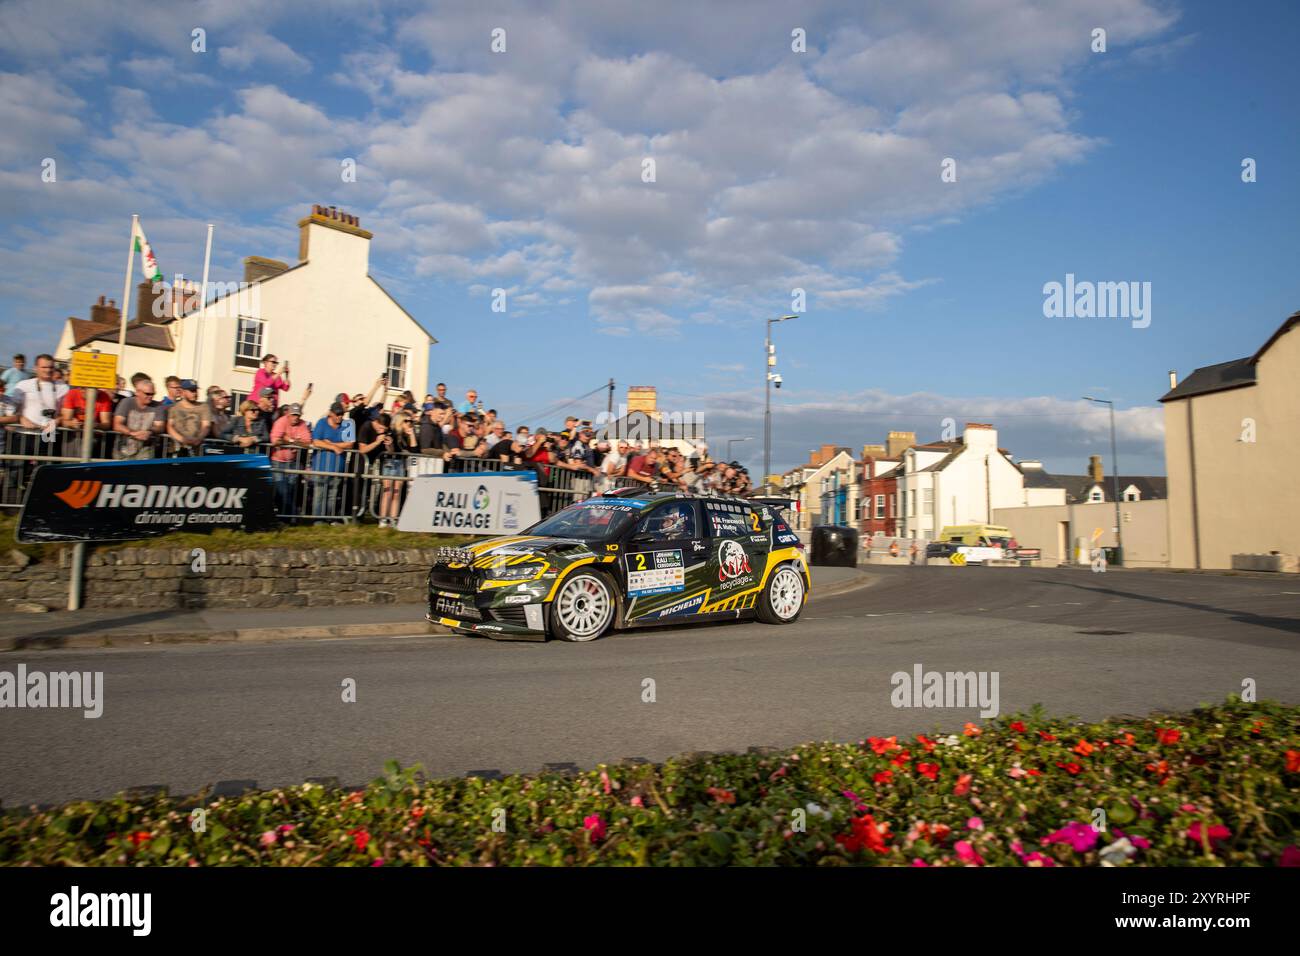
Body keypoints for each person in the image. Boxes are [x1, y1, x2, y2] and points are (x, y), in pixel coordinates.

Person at [310, 402, 355, 520]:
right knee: (319, 495)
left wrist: (330, 443)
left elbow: (350, 444)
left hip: (337, 467)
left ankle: (330, 519)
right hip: (321, 466)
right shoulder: (322, 423)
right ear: (331, 413)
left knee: (333, 496)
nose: (340, 416)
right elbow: (316, 441)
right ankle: (318, 520)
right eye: (337, 414)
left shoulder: (348, 424)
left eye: (342, 414)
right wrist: (334, 447)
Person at [269, 403, 312, 517]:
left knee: (290, 491)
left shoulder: (302, 424)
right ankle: (292, 514)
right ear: (288, 414)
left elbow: (307, 443)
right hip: (278, 462)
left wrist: (290, 440)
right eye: (293, 415)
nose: (295, 418)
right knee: (282, 491)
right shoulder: (281, 422)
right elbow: (275, 441)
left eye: (297, 415)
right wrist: (294, 442)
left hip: (293, 463)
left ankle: (284, 517)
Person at [13, 355, 68, 436]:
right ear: (36, 368)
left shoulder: (63, 387)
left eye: (51, 367)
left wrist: (57, 421)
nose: (48, 370)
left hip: (50, 435)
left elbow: (65, 414)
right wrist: (21, 418)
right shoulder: (23, 385)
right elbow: (12, 410)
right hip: (25, 433)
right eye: (44, 367)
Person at [111, 377, 165, 459]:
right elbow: (117, 425)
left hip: (145, 451)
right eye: (147, 394)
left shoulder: (158, 406)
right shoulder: (126, 402)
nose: (150, 397)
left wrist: (149, 432)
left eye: (153, 394)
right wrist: (133, 433)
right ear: (137, 392)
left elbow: (160, 426)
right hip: (123, 449)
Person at [165, 380, 211, 455]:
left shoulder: (204, 407)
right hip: (177, 449)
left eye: (196, 390)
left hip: (197, 450)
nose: (195, 393)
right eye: (192, 391)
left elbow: (206, 426)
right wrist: (182, 439)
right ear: (183, 392)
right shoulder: (174, 407)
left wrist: (198, 439)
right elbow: (170, 426)